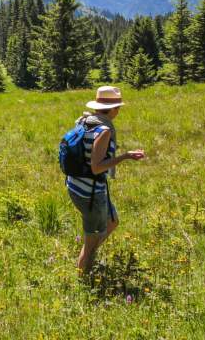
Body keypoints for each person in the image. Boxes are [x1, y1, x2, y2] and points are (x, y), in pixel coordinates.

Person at [67, 86, 145, 274]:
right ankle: (83, 273)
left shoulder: (85, 120)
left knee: (112, 221)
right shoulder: (103, 131)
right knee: (92, 238)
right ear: (112, 109)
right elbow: (97, 166)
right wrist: (125, 156)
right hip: (90, 192)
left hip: (76, 184)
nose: (119, 111)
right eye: (118, 107)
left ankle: (88, 255)